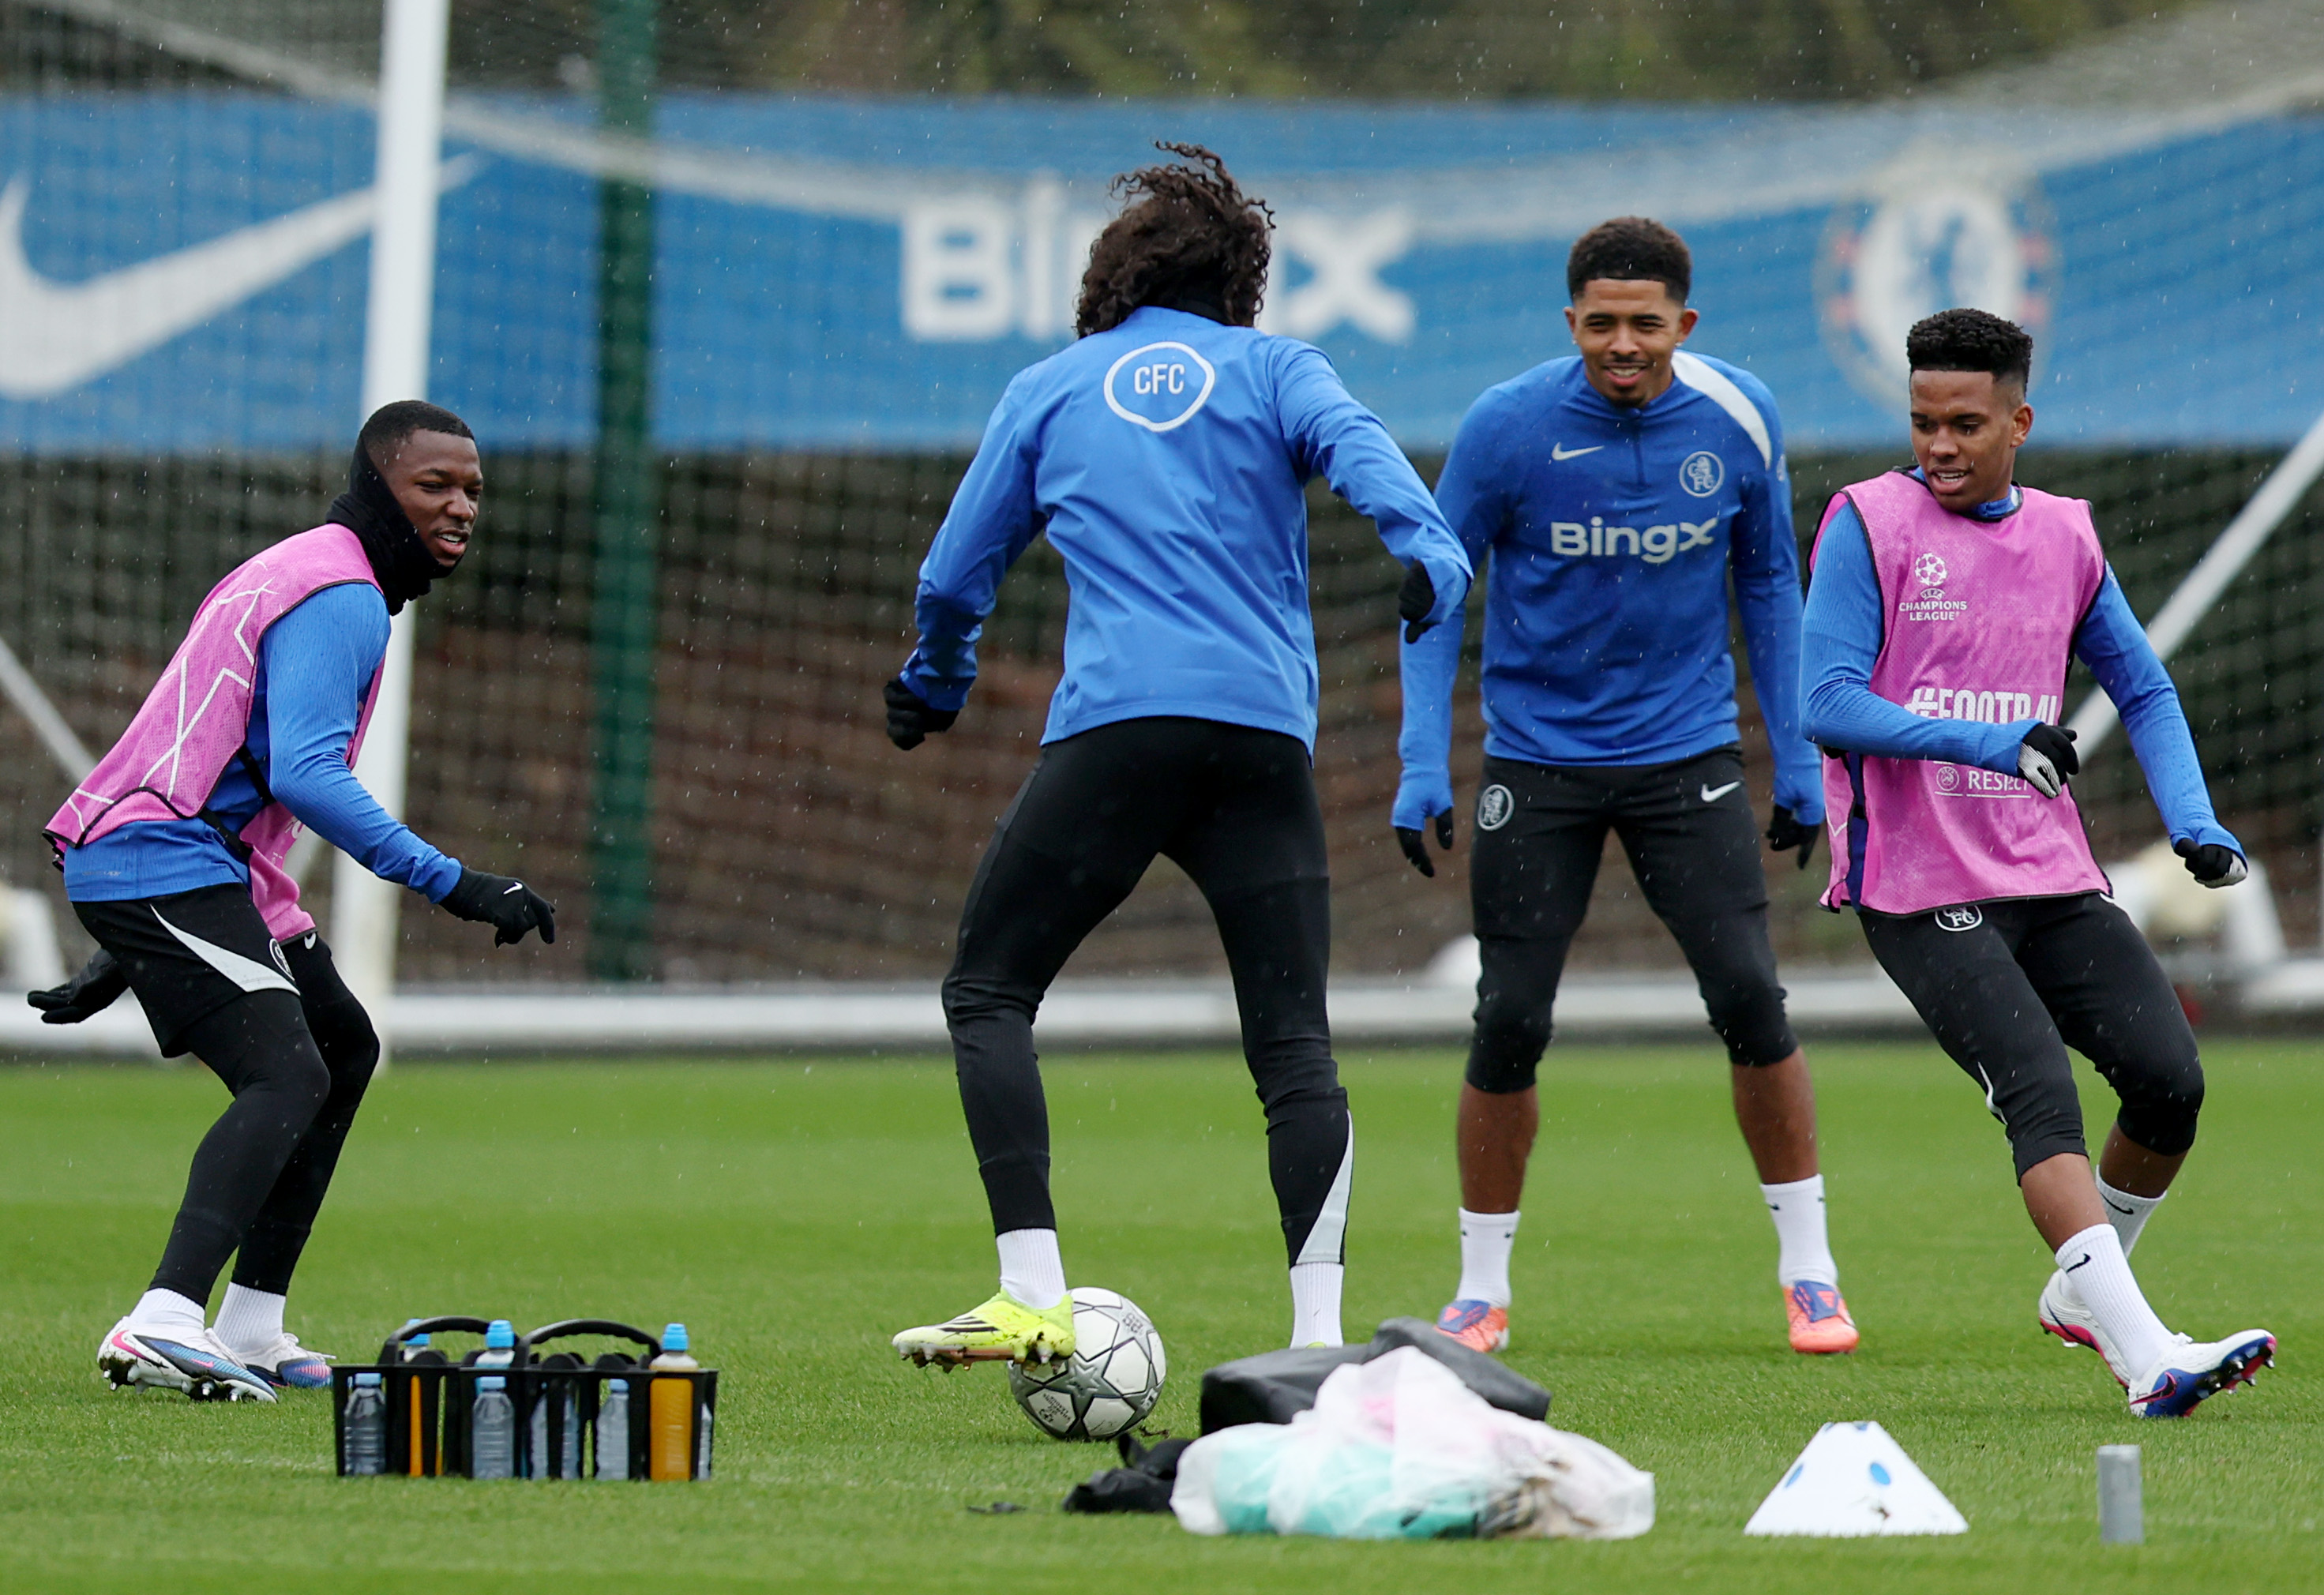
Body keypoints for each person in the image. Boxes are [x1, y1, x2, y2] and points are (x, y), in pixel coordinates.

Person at [883, 144, 1470, 1364]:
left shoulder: (1049, 389)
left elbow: (950, 577)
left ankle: (1031, 1292)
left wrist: (934, 680)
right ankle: (1314, 1343)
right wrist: (1423, 549)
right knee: (1291, 1045)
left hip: (1117, 732)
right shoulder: (1277, 369)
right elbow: (1367, 462)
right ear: (1239, 285)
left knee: (988, 991)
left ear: (1112, 278)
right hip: (1259, 738)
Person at [29, 400, 556, 1402]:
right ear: (376, 485)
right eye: (434, 485)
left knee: (341, 1045)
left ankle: (252, 1324)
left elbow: (225, 751)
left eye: (473, 490)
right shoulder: (341, 591)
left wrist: (124, 947)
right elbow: (307, 773)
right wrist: (455, 882)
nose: (460, 507)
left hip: (191, 861)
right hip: (160, 853)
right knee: (285, 1070)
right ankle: (163, 1319)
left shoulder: (313, 569)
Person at [1800, 307, 2273, 1417]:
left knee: (2168, 1083)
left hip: (2045, 872)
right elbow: (1826, 702)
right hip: (1913, 882)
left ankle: (2082, 1295)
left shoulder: (2065, 535)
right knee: (2038, 1093)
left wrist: (2194, 821)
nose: (1939, 445)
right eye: (1922, 422)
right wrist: (1986, 743)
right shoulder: (1865, 523)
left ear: (2018, 422)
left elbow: (2142, 686)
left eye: (1965, 425)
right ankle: (2147, 1357)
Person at [1398, 216, 1854, 1358]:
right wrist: (1418, 759)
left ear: (1682, 323)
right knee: (1509, 1016)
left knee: (1748, 997)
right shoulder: (1505, 427)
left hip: (1686, 756)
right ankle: (1480, 1290)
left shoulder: (1740, 416)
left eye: (1644, 324)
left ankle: (1810, 1273)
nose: (1621, 344)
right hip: (1535, 762)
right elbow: (1434, 589)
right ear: (1570, 322)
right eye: (1599, 323)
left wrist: (1799, 757)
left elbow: (1768, 583)